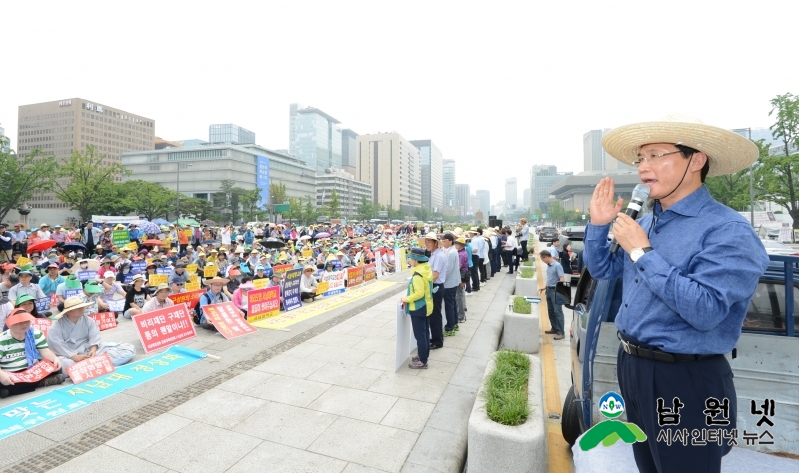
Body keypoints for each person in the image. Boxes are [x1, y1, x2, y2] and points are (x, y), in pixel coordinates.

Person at [584, 116, 770, 472]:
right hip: (633, 365)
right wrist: (597, 224)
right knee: (649, 465)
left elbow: (705, 310)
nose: (643, 168)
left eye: (656, 155)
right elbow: (605, 270)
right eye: (640, 159)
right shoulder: (650, 220)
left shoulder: (727, 229)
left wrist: (643, 252)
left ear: (696, 160)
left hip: (686, 379)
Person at [47, 296, 135, 368]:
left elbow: (94, 336)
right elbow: (57, 345)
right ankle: (97, 364)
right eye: (78, 308)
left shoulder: (88, 320)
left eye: (82, 307)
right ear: (69, 311)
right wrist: (74, 356)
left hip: (89, 351)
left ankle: (89, 365)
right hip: (69, 355)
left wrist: (93, 349)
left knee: (129, 349)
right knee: (63, 364)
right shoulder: (56, 327)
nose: (82, 309)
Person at [0, 310, 64, 398]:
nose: (24, 324)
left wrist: (55, 358)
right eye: (19, 322)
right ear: (10, 324)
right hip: (10, 373)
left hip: (31, 370)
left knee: (56, 367)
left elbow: (45, 351)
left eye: (26, 321)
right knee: (2, 380)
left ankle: (11, 390)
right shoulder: (2, 340)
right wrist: (2, 375)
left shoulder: (35, 333)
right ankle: (41, 383)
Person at [400, 247, 433, 369]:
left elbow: (419, 293)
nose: (409, 261)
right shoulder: (426, 269)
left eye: (411, 259)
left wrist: (405, 299)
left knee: (420, 336)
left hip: (419, 307)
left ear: (416, 260)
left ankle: (423, 361)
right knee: (424, 334)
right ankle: (422, 356)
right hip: (426, 306)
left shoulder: (418, 275)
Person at [537, 250, 566, 340]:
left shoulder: (557, 265)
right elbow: (550, 278)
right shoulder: (549, 266)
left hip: (555, 291)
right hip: (549, 290)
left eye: (542, 259)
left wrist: (560, 291)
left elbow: (562, 278)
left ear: (546, 257)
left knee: (558, 312)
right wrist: (545, 287)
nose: (542, 261)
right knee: (551, 311)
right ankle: (554, 328)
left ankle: (561, 332)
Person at [440, 233, 460, 337]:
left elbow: (448, 269)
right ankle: (455, 323)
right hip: (453, 282)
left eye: (444, 241)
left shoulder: (451, 252)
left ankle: (450, 327)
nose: (443, 243)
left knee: (449, 305)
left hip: (449, 283)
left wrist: (441, 279)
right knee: (452, 303)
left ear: (450, 241)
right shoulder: (452, 251)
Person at [454, 237, 469, 324]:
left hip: (461, 275)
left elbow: (458, 267)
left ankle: (460, 316)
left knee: (459, 296)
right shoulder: (462, 252)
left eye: (456, 243)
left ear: (460, 245)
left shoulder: (461, 254)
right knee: (461, 294)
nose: (455, 245)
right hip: (463, 274)